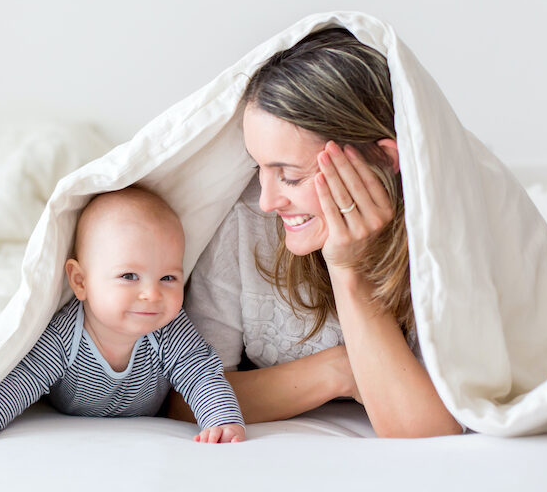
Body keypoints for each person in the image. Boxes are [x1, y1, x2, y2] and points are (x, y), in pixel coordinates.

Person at [168, 28, 463, 438]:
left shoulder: (442, 242)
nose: (269, 201)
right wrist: (339, 370)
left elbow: (426, 433)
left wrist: (348, 269)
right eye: (259, 169)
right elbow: (186, 399)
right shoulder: (245, 222)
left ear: (383, 158)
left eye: (289, 176)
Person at [0, 187, 245, 443]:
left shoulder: (169, 329)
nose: (152, 294)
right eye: (129, 276)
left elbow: (201, 373)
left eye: (168, 278)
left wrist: (222, 420)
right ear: (80, 281)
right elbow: (22, 381)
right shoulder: (65, 335)